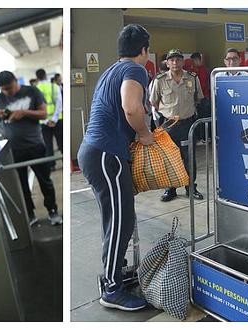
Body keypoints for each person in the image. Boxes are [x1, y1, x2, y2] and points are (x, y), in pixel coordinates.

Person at [77, 24, 154, 312]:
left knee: (116, 219)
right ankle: (112, 288)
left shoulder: (110, 70)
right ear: (143, 49)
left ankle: (114, 273)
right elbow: (131, 107)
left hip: (94, 152)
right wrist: (145, 134)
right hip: (106, 155)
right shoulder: (135, 70)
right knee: (122, 220)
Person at [0, 71, 62, 226]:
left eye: (9, 88)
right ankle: (30, 214)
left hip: (35, 145)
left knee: (45, 181)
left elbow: (43, 113)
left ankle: (52, 211)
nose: (7, 92)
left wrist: (24, 112)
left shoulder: (32, 91)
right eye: (3, 89)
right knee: (21, 185)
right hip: (14, 150)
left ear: (16, 81)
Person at [150, 48, 204, 202]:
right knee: (169, 158)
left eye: (178, 59)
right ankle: (170, 189)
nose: (175, 62)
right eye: (172, 60)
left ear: (182, 61)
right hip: (168, 125)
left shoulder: (192, 78)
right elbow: (153, 102)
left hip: (188, 124)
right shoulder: (159, 80)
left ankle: (190, 188)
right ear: (167, 63)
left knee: (189, 156)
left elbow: (198, 98)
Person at [36, 68, 63, 171]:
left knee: (48, 144)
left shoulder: (35, 89)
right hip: (58, 120)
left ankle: (51, 165)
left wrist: (46, 120)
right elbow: (59, 103)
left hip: (44, 122)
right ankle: (65, 162)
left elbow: (36, 107)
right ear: (45, 75)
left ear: (37, 77)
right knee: (61, 143)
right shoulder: (54, 87)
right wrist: (54, 119)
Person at [189, 52, 211, 142]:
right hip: (201, 99)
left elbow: (201, 85)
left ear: (198, 60)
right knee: (201, 118)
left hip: (203, 99)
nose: (193, 62)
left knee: (203, 118)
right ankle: (205, 137)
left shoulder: (202, 70)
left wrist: (196, 98)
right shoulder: (196, 70)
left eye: (194, 60)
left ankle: (205, 138)